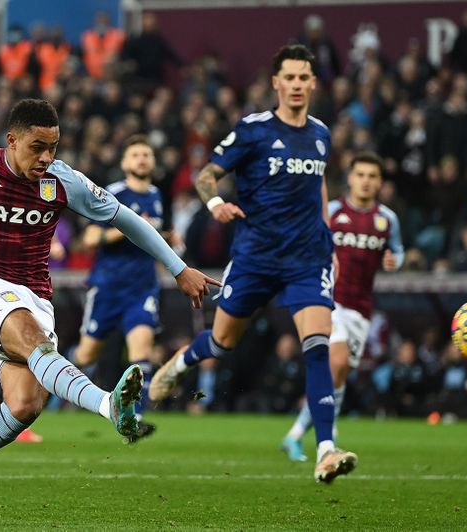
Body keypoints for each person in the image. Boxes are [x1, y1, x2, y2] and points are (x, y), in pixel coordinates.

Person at [0, 98, 218, 516]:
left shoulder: (62, 181)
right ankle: (109, 405)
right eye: (37, 147)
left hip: (35, 296)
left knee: (24, 408)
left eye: (53, 147)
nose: (46, 157)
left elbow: (128, 220)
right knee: (34, 343)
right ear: (12, 141)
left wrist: (178, 268)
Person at [147, 44, 358, 483]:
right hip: (256, 256)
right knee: (222, 343)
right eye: (291, 78)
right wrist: (218, 202)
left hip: (306, 257)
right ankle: (179, 363)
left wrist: (327, 237)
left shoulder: (321, 133)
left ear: (313, 84)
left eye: (305, 77)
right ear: (276, 83)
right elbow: (207, 176)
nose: (298, 85)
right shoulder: (253, 130)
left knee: (317, 345)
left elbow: (317, 188)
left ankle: (325, 448)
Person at [280, 152, 404, 461]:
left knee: (338, 375)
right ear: (350, 178)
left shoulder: (387, 219)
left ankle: (295, 435)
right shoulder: (332, 211)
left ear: (380, 183)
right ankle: (328, 438)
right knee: (334, 363)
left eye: (372, 176)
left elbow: (398, 251)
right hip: (326, 300)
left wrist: (394, 261)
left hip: (361, 310)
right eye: (360, 174)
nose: (365, 181)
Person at [73, 134, 165, 443]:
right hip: (108, 287)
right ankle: (42, 398)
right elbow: (88, 239)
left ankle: (133, 420)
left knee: (141, 353)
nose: (142, 159)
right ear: (124, 163)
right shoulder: (111, 194)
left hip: (142, 287)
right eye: (136, 154)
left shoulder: (156, 195)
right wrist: (130, 227)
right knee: (85, 354)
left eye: (146, 154)